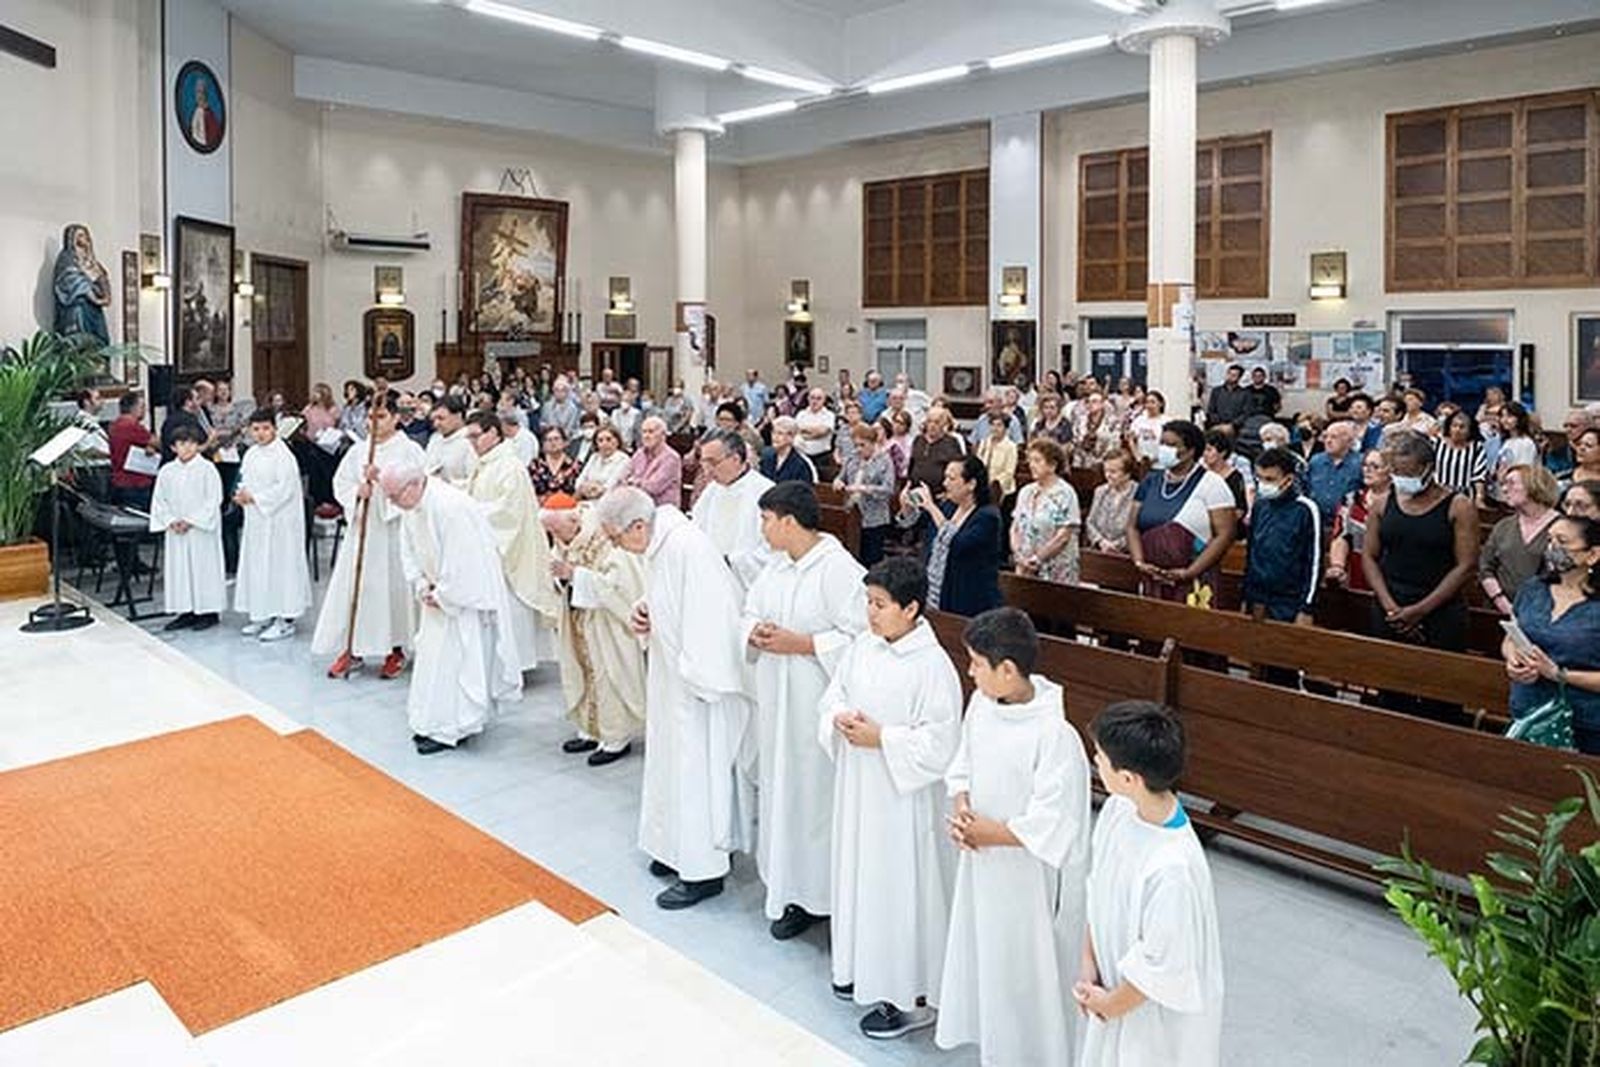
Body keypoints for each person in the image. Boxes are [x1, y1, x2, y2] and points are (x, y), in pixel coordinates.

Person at [935, 608, 1090, 1064]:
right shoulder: (982, 705)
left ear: (1008, 669)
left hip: (1026, 877)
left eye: (977, 664)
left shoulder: (1054, 735)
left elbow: (1052, 821)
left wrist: (990, 833)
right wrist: (962, 807)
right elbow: (962, 762)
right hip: (982, 862)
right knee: (987, 962)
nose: (969, 671)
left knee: (1025, 969)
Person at [818, 557, 962, 1038]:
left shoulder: (932, 665)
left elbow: (942, 745)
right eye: (868, 602)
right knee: (862, 881)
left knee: (900, 893)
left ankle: (911, 998)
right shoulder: (864, 645)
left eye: (879, 605)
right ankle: (864, 971)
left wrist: (883, 739)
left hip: (903, 804)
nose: (870, 613)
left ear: (912, 608)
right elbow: (834, 691)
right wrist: (838, 716)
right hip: (861, 789)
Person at [596, 487, 754, 909]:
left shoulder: (687, 546)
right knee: (670, 767)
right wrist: (644, 610)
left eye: (615, 537)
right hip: (671, 678)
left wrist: (695, 677)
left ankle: (703, 871)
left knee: (694, 772)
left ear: (638, 526)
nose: (615, 546)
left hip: (696, 685)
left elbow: (713, 617)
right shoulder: (658, 545)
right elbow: (666, 598)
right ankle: (673, 847)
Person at [740, 483, 868, 940]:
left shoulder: (839, 571)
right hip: (776, 698)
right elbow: (749, 609)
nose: (763, 528)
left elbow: (862, 639)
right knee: (780, 792)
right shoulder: (776, 566)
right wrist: (754, 631)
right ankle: (785, 887)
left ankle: (819, 897)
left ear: (789, 521)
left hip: (815, 703)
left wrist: (806, 643)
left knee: (812, 800)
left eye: (766, 519)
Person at [1076, 700, 1224, 1067]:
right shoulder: (1119, 809)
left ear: (1129, 778)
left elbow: (1162, 970)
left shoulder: (1172, 868)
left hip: (1145, 1013)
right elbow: (1099, 890)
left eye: (1100, 757)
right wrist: (1088, 962)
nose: (1095, 761)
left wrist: (1110, 1005)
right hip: (1108, 988)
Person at [381, 463, 523, 755]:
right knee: (434, 663)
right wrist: (421, 584)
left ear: (415, 484)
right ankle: (432, 722)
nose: (392, 502)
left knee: (458, 664)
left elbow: (464, 560)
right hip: (436, 595)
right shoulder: (412, 506)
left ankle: (454, 728)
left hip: (461, 601)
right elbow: (408, 548)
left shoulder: (450, 506)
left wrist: (444, 594)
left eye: (394, 495)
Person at [311, 399, 427, 679]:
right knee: (358, 588)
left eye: (381, 416)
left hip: (393, 528)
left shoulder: (409, 449)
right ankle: (354, 649)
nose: (373, 423)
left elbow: (419, 486)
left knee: (393, 589)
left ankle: (395, 649)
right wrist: (356, 492)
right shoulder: (359, 450)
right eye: (370, 417)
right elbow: (341, 483)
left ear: (396, 417)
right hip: (364, 527)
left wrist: (383, 481)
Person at [1362, 431, 1479, 660]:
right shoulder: (1383, 503)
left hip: (1440, 606)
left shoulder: (1459, 506)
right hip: (1390, 602)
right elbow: (1369, 555)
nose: (1402, 479)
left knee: (1438, 687)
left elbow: (1466, 565)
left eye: (1409, 473)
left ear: (1428, 468)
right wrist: (1390, 607)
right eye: (1397, 472)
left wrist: (1420, 610)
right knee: (1390, 685)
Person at [546, 507, 647, 766]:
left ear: (575, 521)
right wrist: (562, 578)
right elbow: (557, 568)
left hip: (607, 624)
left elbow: (620, 585)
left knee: (607, 675)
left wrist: (575, 575)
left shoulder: (607, 538)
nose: (557, 538)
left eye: (559, 531)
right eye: (552, 533)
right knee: (582, 672)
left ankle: (615, 738)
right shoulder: (566, 539)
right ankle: (590, 730)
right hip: (578, 618)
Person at [466, 411, 560, 673]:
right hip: (487, 544)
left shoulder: (510, 465)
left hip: (508, 547)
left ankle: (516, 662)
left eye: (476, 436)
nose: (472, 442)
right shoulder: (485, 462)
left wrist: (471, 513)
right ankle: (498, 661)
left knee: (511, 604)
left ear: (494, 434)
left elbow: (508, 511)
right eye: (469, 437)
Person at [1504, 516, 1600, 753]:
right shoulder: (1533, 589)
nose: (1553, 549)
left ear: (1592, 555)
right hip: (1528, 709)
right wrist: (1513, 659)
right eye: (1549, 541)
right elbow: (1511, 636)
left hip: (1585, 722)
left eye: (1562, 542)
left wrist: (1558, 674)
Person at [1127, 421, 1238, 604]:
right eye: (1162, 443)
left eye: (1171, 445)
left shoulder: (1212, 484)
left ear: (1190, 450)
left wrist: (1190, 572)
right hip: (1151, 575)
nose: (1164, 449)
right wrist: (1139, 562)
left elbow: (1225, 535)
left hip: (1194, 579)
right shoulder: (1151, 480)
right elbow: (1132, 526)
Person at [233, 410, 311, 642]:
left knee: (280, 566)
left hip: (280, 522)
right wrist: (241, 494)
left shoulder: (283, 455)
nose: (261, 434)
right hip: (257, 520)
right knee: (259, 565)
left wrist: (255, 498)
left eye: (265, 428)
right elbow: (243, 480)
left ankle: (285, 619)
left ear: (274, 429)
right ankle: (263, 614)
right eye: (256, 429)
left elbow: (284, 489)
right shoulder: (251, 454)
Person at [898, 455, 1004, 615]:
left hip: (963, 597)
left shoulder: (988, 517)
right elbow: (915, 522)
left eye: (951, 478)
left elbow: (957, 542)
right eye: (945, 477)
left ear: (971, 484)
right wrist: (906, 507)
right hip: (932, 588)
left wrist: (932, 507)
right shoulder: (949, 506)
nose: (945, 483)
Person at [148, 425, 225, 632]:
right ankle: (186, 611)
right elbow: (159, 501)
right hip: (176, 530)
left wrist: (191, 521)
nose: (187, 448)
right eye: (182, 444)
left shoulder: (207, 468)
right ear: (173, 447)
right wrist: (171, 520)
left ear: (198, 445)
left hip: (200, 529)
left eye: (191, 443)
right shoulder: (167, 471)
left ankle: (208, 612)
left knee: (203, 568)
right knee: (180, 570)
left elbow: (214, 499)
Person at [1242, 448, 1321, 626]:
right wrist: (1247, 595)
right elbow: (1252, 550)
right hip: (1257, 596)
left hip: (1289, 600)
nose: (1263, 484)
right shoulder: (1260, 505)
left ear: (1288, 479)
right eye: (1259, 478)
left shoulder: (1306, 509)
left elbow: (1314, 562)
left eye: (1269, 479)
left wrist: (1306, 607)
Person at [691, 429, 774, 592]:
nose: (707, 471)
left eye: (713, 463)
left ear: (736, 459)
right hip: (708, 580)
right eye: (703, 463)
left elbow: (772, 550)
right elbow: (695, 530)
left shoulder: (766, 492)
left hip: (744, 586)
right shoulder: (712, 491)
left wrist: (731, 562)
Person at [1480, 464, 1561, 617]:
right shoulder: (1503, 526)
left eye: (1511, 483)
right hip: (1499, 609)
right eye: (1503, 484)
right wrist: (1500, 600)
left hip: (1544, 613)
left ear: (1533, 484)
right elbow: (1485, 567)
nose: (1504, 489)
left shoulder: (1561, 527)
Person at [1011, 438, 1081, 584]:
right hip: (1024, 566)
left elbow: (1063, 536)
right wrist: (1019, 556)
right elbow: (1015, 527)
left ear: (1053, 465)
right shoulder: (1026, 491)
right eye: (1030, 460)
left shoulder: (1065, 493)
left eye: (1037, 461)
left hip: (1055, 570)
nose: (1031, 465)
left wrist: (1037, 559)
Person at [1326, 449, 1391, 592]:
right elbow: (1341, 536)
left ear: (1391, 471)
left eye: (1375, 466)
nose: (1367, 470)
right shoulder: (1351, 500)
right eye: (1365, 465)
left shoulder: (1400, 504)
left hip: (1388, 578)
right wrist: (1338, 566)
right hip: (1357, 575)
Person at [836, 422, 895, 566]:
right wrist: (838, 481)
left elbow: (888, 489)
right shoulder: (852, 457)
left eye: (863, 445)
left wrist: (864, 488)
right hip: (852, 514)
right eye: (856, 445)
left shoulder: (885, 460)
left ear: (873, 443)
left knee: (871, 558)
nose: (859, 449)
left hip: (874, 518)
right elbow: (841, 477)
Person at [1305, 419, 1364, 527]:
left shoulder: (1360, 463)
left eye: (1334, 437)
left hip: (1345, 525)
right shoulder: (1316, 461)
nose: (1328, 441)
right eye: (1326, 437)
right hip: (1316, 522)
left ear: (1349, 441)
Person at [109, 391, 160, 511]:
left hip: (119, 480)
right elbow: (157, 442)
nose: (144, 411)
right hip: (135, 482)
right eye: (142, 407)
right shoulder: (131, 425)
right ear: (133, 408)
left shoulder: (115, 424)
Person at [624, 415, 684, 507]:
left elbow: (653, 487)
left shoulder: (672, 458)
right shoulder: (639, 454)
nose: (646, 436)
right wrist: (633, 482)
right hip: (638, 506)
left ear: (663, 435)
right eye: (644, 432)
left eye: (651, 432)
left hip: (662, 510)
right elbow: (623, 478)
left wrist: (633, 482)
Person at [1086, 451, 1138, 554]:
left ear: (1127, 474)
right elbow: (1090, 522)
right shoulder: (1100, 491)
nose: (1108, 475)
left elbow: (1139, 529)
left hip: (1126, 554)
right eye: (1106, 471)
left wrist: (1116, 545)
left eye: (1113, 472)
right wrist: (1101, 542)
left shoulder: (1139, 493)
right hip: (1099, 550)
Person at [1432, 410, 1488, 506]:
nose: (1457, 430)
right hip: (1438, 494)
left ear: (1469, 430)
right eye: (1454, 426)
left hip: (1464, 496)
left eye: (1462, 427)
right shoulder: (1436, 444)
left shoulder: (1476, 448)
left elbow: (1479, 476)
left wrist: (1479, 497)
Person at [424, 393, 477, 488]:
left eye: (441, 418)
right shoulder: (435, 439)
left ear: (458, 416)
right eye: (434, 420)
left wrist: (448, 483)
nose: (436, 424)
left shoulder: (471, 440)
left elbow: (474, 481)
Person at [908, 408, 966, 490]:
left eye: (936, 422)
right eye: (929, 421)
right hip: (916, 492)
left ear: (943, 424)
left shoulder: (951, 442)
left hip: (939, 494)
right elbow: (912, 465)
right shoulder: (918, 440)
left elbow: (957, 470)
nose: (932, 425)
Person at [1493, 401, 1539, 500]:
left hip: (1517, 493)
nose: (1504, 420)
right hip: (1502, 492)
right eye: (1502, 416)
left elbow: (1525, 471)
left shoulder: (1526, 443)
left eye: (1509, 416)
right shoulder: (1506, 441)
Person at [575, 423, 630, 501]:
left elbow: (610, 486)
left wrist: (589, 487)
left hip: (611, 502)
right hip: (587, 501)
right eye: (600, 440)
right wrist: (588, 487)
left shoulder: (624, 460)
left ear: (617, 441)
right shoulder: (594, 457)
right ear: (596, 444)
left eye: (608, 439)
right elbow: (579, 482)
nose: (604, 443)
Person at [1071, 391, 1122, 471]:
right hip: (1081, 461)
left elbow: (1115, 443)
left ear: (1102, 404)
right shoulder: (1081, 420)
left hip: (1103, 462)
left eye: (1094, 401)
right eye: (1088, 402)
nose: (1090, 404)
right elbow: (1075, 438)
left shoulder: (1113, 421)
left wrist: (1101, 461)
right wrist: (1082, 441)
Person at [760, 415, 818, 484]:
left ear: (791, 437)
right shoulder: (766, 456)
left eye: (780, 433)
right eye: (774, 432)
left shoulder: (800, 466)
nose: (775, 437)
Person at [795, 387, 838, 480]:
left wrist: (804, 430)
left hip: (821, 458)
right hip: (802, 456)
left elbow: (822, 432)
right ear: (808, 399)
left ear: (824, 400)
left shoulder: (829, 415)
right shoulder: (801, 414)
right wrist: (814, 430)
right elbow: (796, 431)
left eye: (819, 398)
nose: (815, 401)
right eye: (812, 398)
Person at [531, 425, 581, 502]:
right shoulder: (535, 465)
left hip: (568, 507)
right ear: (543, 444)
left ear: (565, 442)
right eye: (548, 440)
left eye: (556, 439)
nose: (553, 443)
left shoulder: (575, 465)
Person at [975, 413, 1018, 501]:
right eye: (992, 425)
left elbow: (1009, 472)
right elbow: (978, 464)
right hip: (983, 487)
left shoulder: (1011, 447)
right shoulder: (984, 443)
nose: (995, 429)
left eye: (999, 425)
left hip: (1003, 491)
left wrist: (993, 484)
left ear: (1005, 428)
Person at [1204, 364, 1250, 431]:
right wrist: (1219, 423)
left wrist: (1232, 424)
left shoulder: (1244, 394)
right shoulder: (1217, 391)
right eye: (1229, 374)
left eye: (1234, 375)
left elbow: (1245, 414)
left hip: (1235, 428)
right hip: (1217, 426)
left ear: (1239, 377)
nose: (1230, 377)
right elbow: (1211, 410)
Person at [1126, 391, 1165, 463]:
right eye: (1147, 402)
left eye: (1153, 402)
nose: (1149, 405)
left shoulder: (1166, 421)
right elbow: (1131, 440)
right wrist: (1138, 457)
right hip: (1143, 463)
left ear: (1161, 404)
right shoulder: (1139, 420)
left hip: (1160, 463)